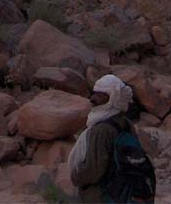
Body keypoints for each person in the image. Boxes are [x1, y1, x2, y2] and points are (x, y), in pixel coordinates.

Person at [67, 74, 156, 203]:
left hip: (105, 196)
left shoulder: (101, 130)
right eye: (94, 93)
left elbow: (94, 170)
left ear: (112, 98)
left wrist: (76, 176)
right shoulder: (126, 124)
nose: (93, 98)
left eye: (99, 95)